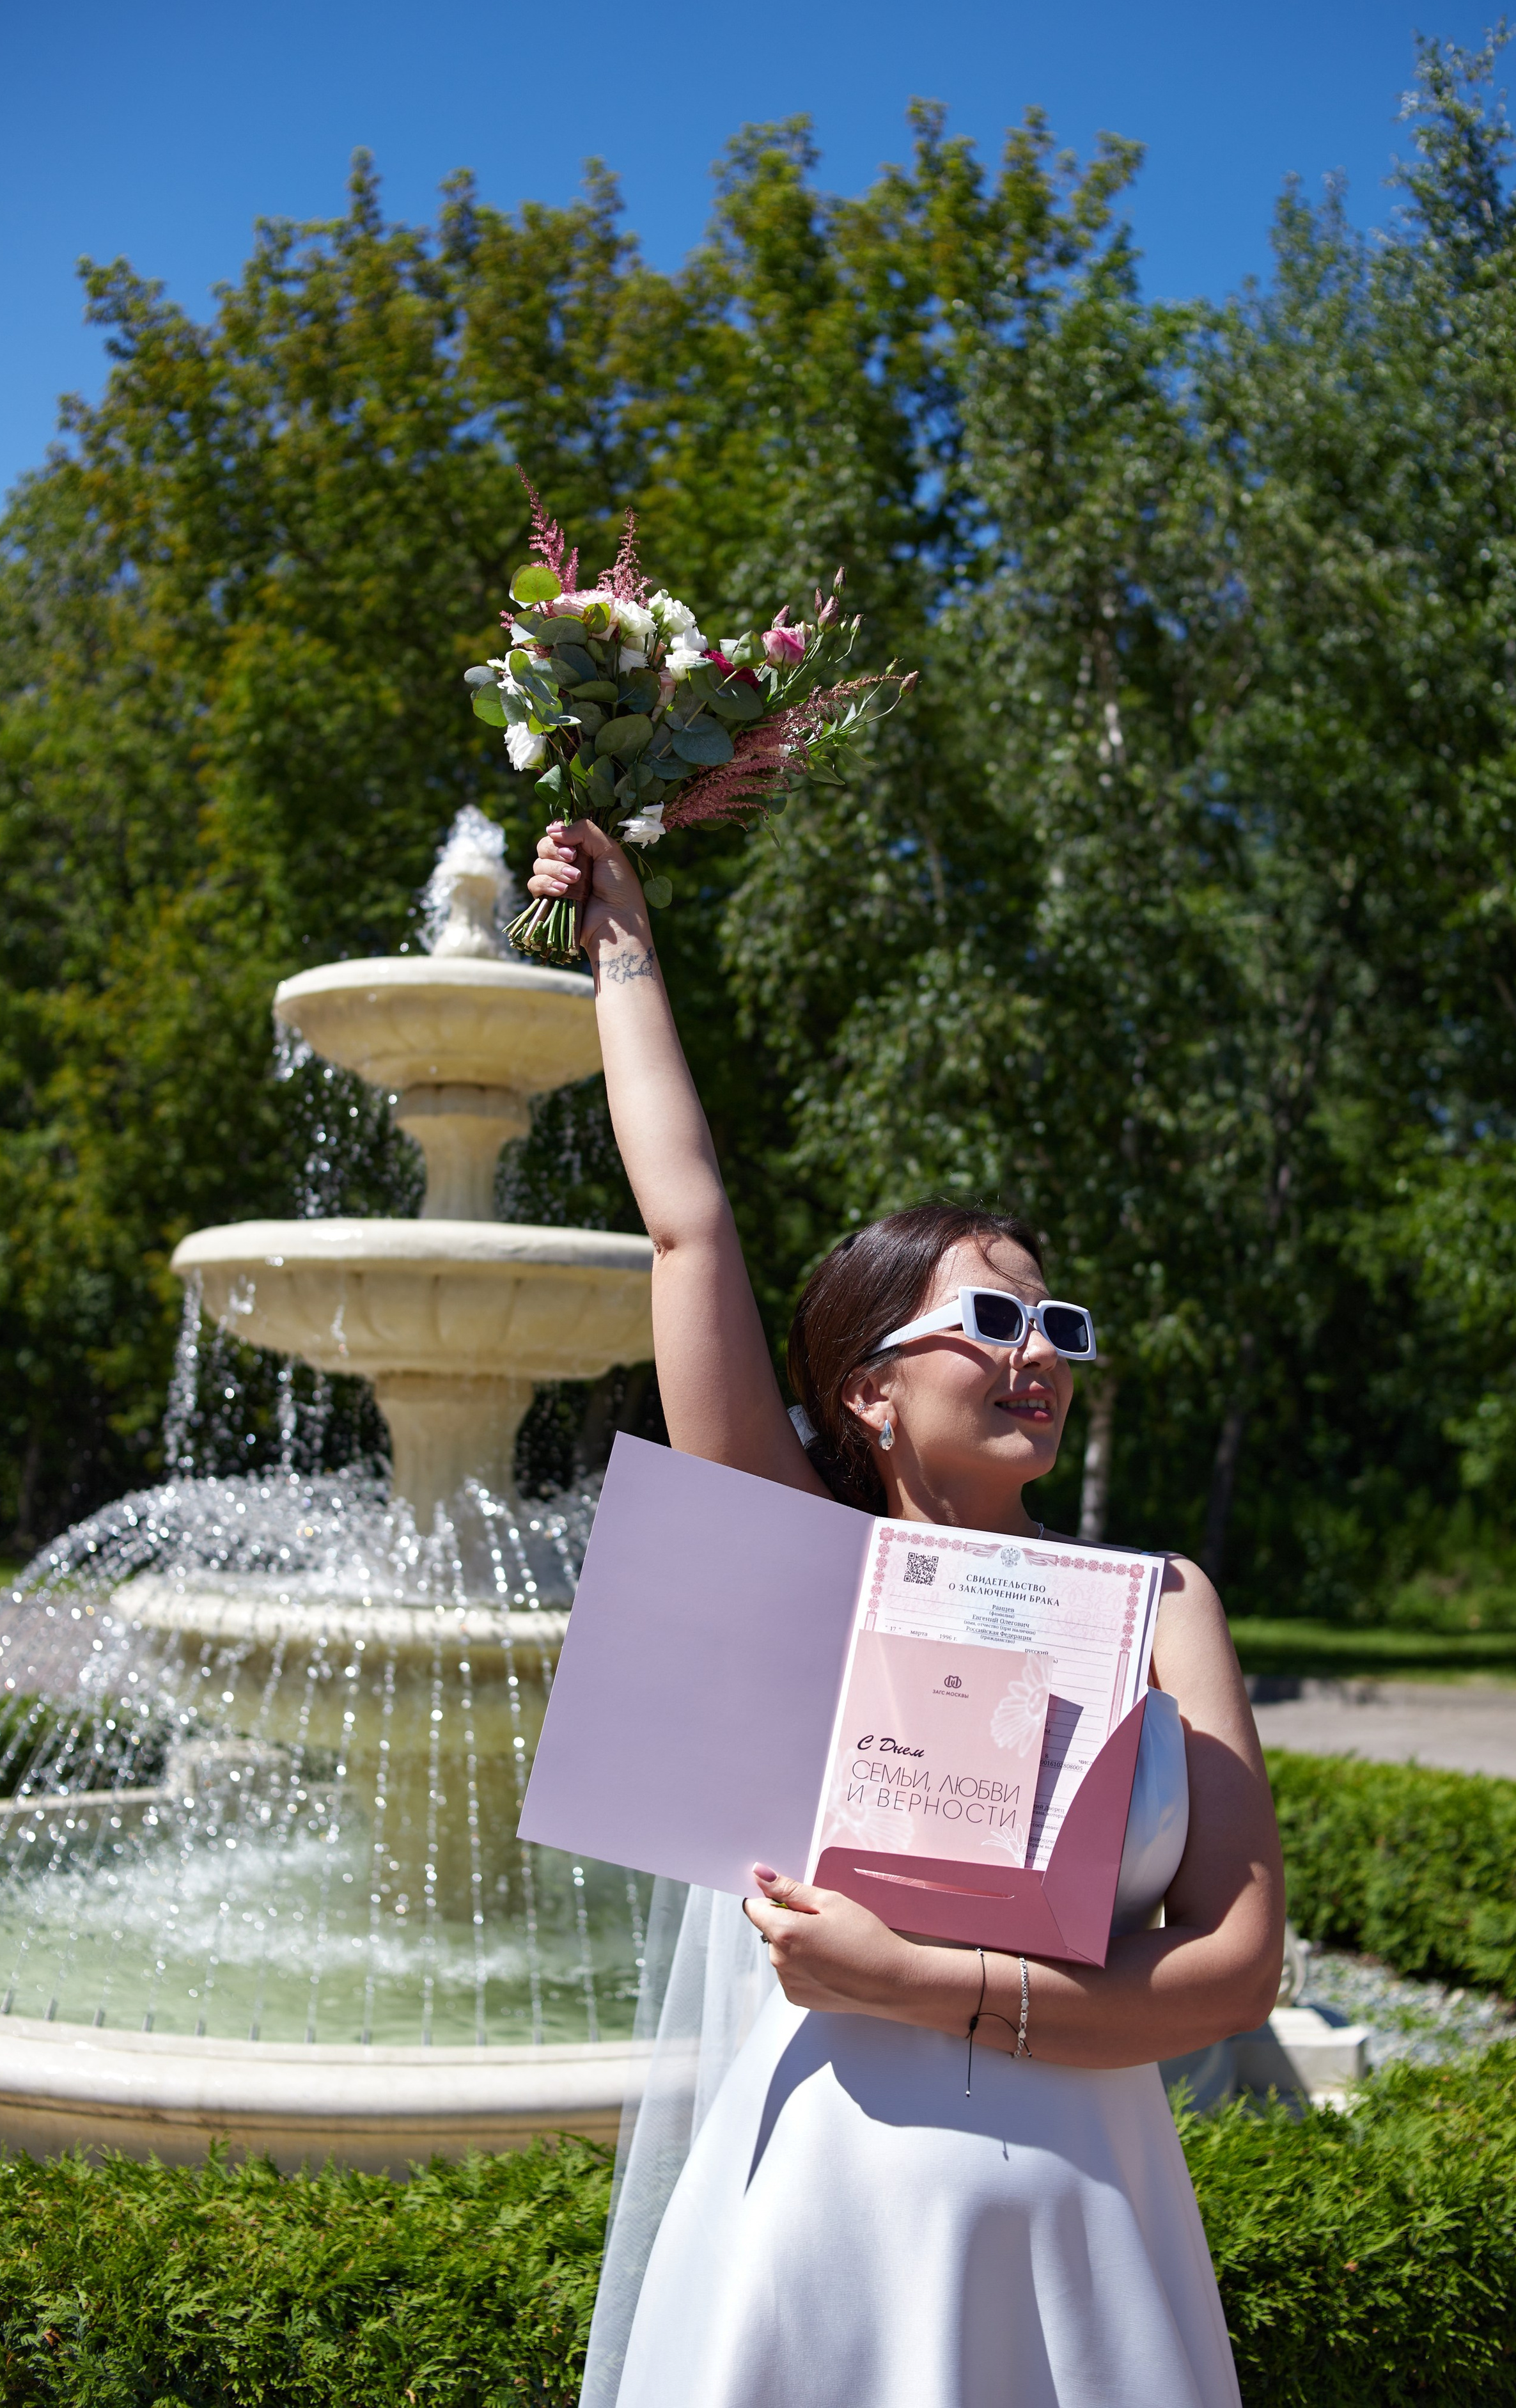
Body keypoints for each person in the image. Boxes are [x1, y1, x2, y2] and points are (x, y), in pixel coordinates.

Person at [527, 821, 1285, 2408]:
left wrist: (914, 1980)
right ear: (867, 1388)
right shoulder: (814, 1577)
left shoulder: (1164, 1606)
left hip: (1094, 2214)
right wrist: (623, 938)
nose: (1039, 1356)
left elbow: (1230, 1970)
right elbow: (690, 1228)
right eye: (993, 1320)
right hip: (827, 2209)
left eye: (1057, 1326)